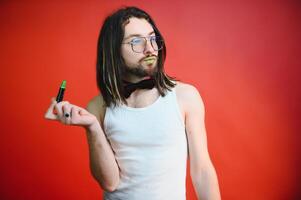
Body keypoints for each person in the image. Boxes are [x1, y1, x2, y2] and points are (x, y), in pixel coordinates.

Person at [45, 6, 221, 200]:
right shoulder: (97, 107)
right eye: (136, 41)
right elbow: (109, 182)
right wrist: (92, 127)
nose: (150, 49)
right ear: (114, 50)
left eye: (152, 39)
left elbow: (202, 171)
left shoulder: (185, 96)